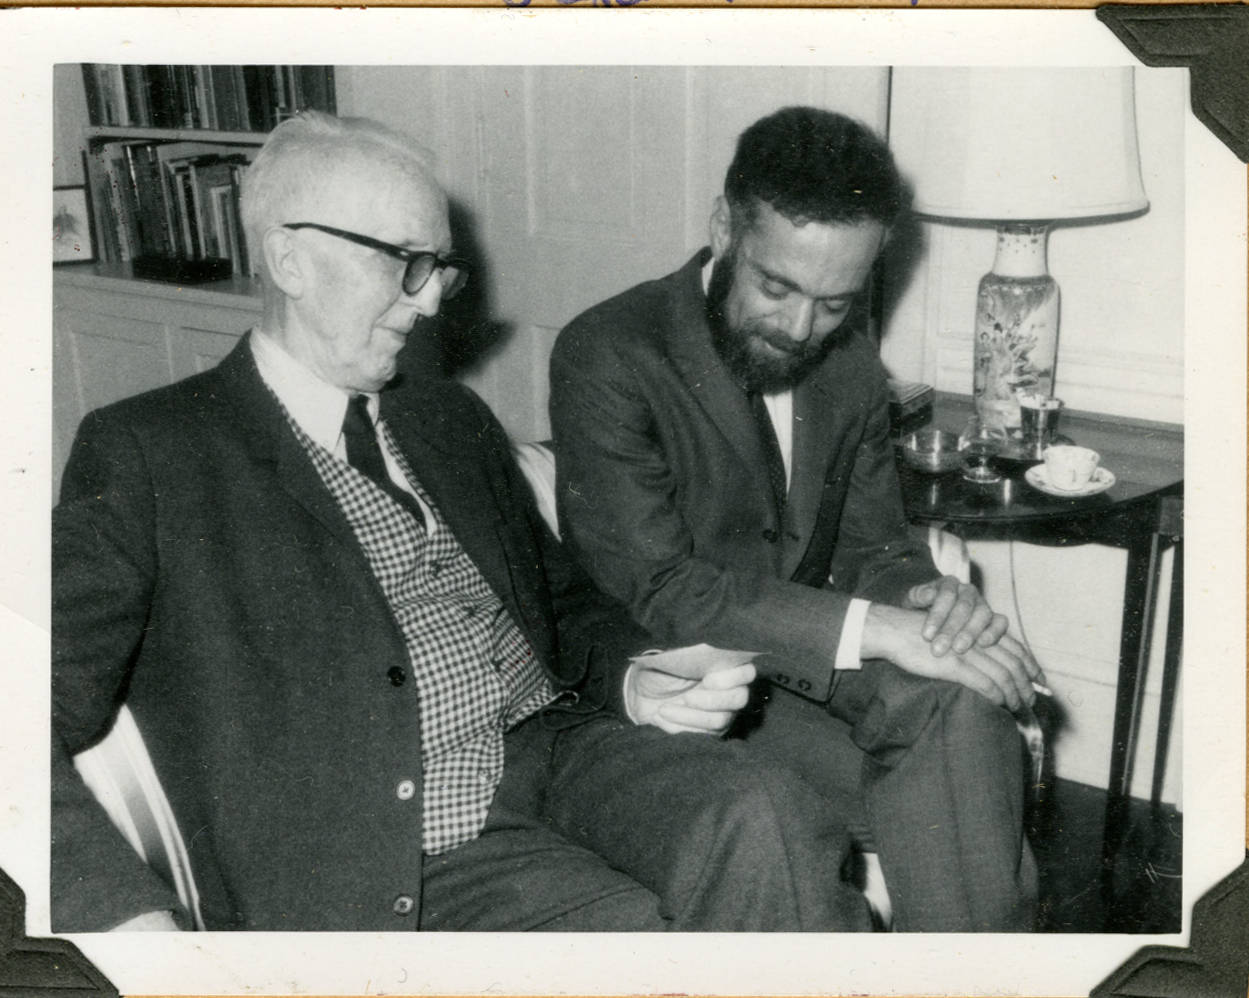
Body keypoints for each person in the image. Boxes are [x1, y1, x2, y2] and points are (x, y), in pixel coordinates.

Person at [50, 112, 875, 933]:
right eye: (405, 263)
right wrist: (121, 918)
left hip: (556, 751)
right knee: (636, 937)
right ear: (289, 258)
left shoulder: (446, 417)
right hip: (395, 843)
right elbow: (9, 713)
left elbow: (561, 603)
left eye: (439, 268)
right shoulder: (152, 451)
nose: (431, 301)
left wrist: (636, 675)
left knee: (777, 819)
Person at [549, 106, 1044, 931]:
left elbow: (872, 545)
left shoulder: (849, 363)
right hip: (672, 689)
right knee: (975, 828)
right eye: (775, 287)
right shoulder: (610, 352)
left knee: (961, 712)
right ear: (723, 228)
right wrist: (878, 628)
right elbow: (660, 589)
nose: (799, 329)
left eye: (834, 302)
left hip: (796, 668)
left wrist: (927, 600)